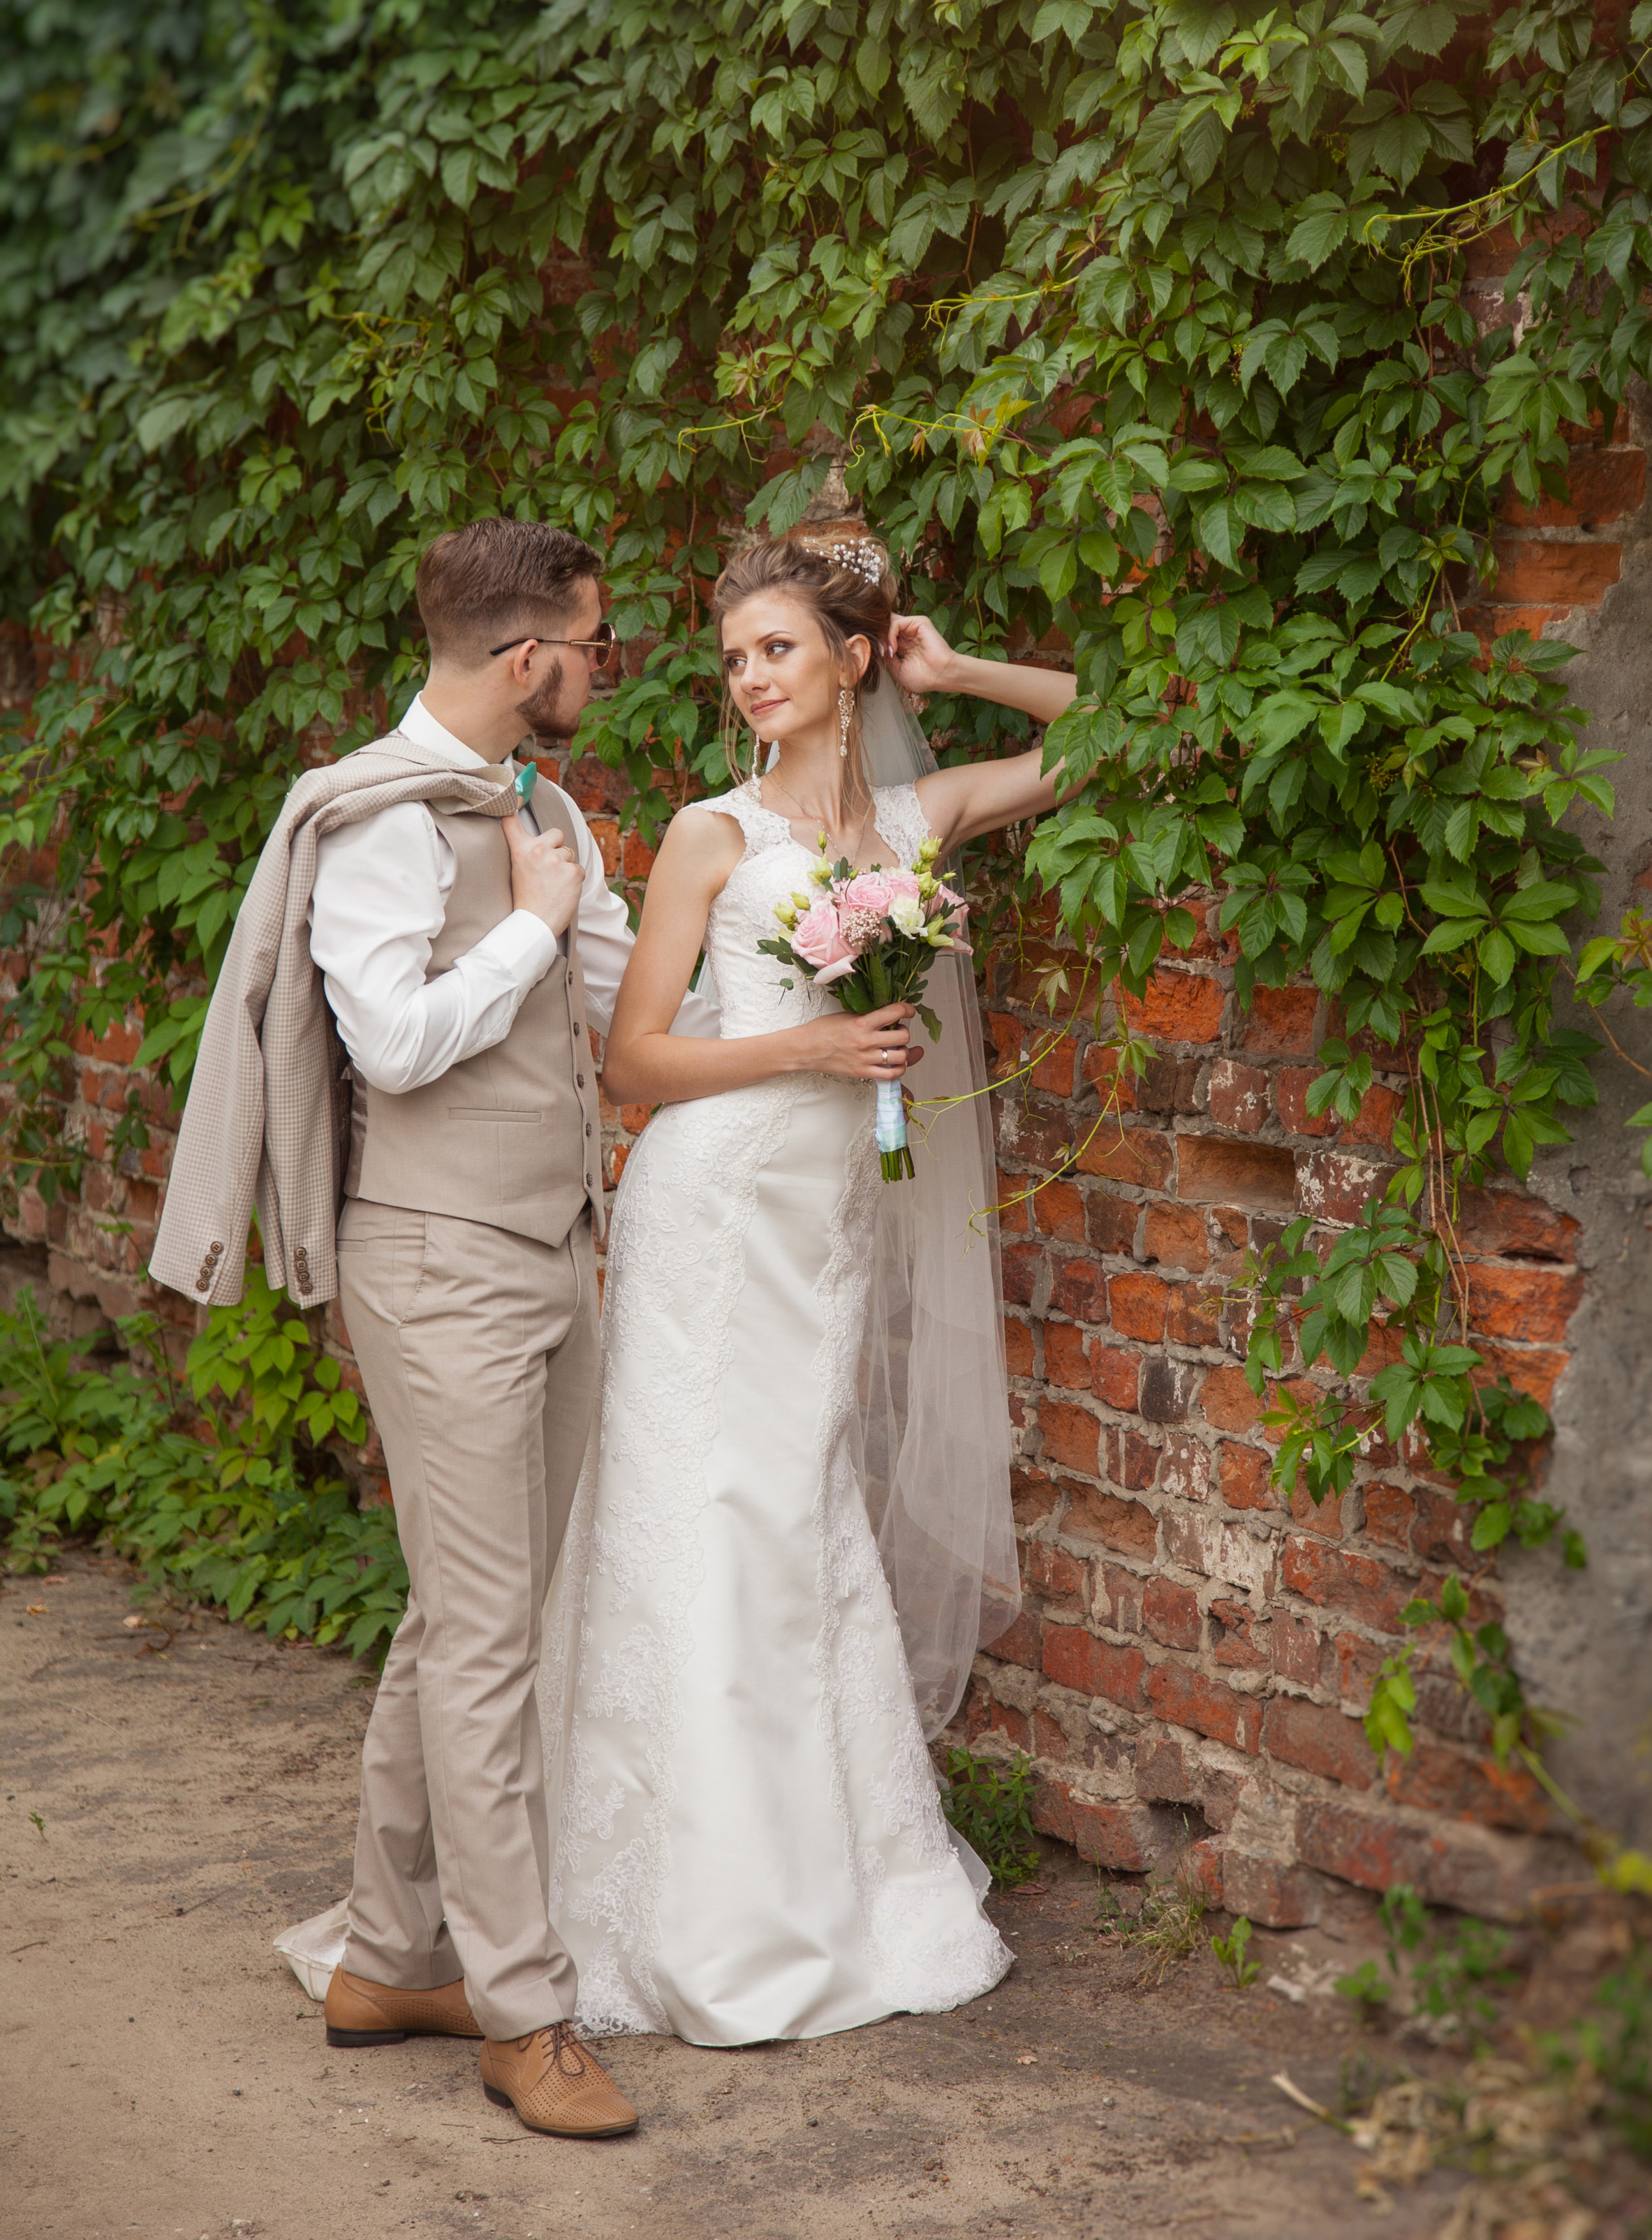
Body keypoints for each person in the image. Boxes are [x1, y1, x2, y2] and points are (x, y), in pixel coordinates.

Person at [163, 517, 716, 2140]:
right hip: (436, 1267)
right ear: (527, 656)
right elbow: (394, 1046)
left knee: (467, 1622)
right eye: (594, 649)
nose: (602, 673)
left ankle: (391, 1956)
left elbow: (632, 1012)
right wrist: (533, 925)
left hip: (554, 1252)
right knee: (485, 1647)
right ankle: (523, 2017)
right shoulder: (380, 820)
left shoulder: (542, 812)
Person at [534, 521, 1078, 2045]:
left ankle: (831, 1881)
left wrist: (956, 666)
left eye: (776, 649)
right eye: (732, 661)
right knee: (706, 1523)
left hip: (824, 1232)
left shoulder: (917, 820)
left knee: (796, 1514)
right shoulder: (715, 834)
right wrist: (812, 1046)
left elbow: (1113, 737)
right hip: (710, 1220)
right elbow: (634, 1059)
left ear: (849, 661)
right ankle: (690, 1908)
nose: (748, 681)